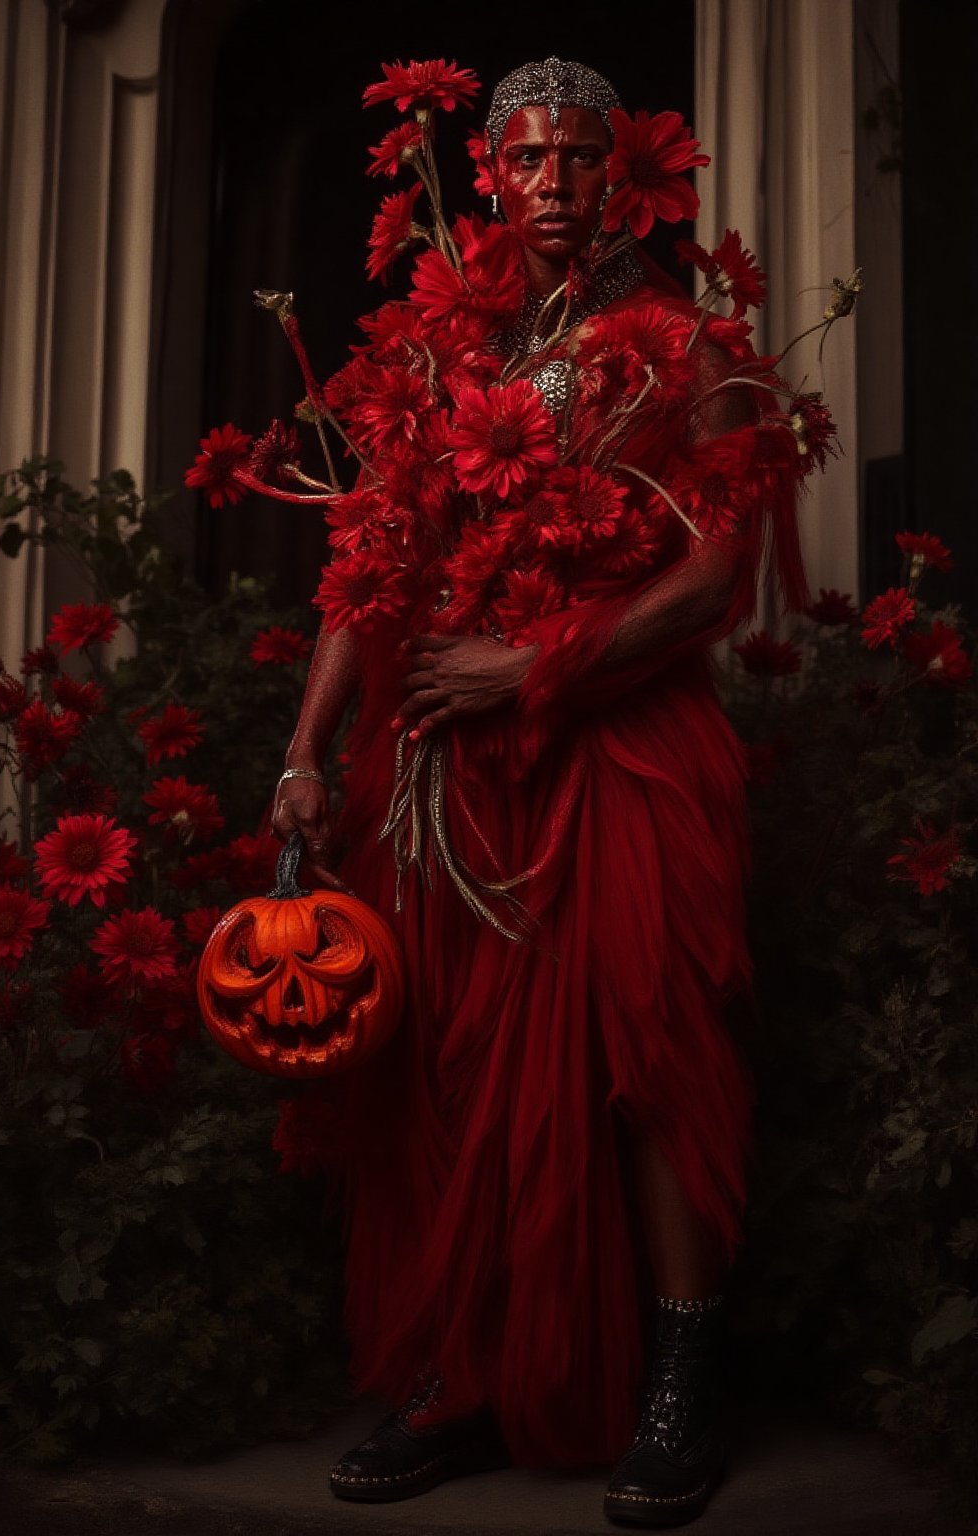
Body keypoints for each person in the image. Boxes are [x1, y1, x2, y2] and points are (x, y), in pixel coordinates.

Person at [271, 57, 809, 1529]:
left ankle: (680, 1386)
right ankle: (463, 1375)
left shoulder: (690, 342)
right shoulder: (448, 349)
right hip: (448, 767)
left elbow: (721, 577)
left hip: (619, 748)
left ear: (625, 169)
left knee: (646, 1055)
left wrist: (541, 664)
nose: (557, 184)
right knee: (449, 1074)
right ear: (489, 174)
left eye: (582, 158)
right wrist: (309, 747)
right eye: (528, 160)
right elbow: (367, 562)